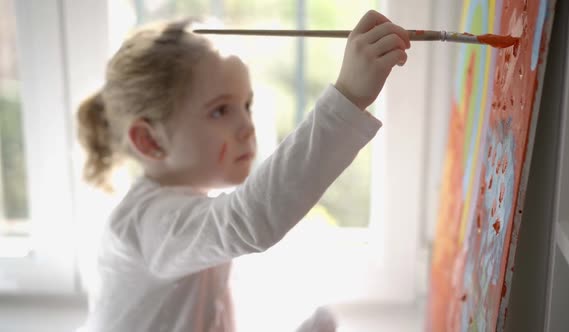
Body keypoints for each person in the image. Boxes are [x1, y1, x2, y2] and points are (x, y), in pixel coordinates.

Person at [76, 9, 410, 332]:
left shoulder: (189, 208)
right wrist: (348, 98)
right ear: (149, 141)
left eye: (246, 105)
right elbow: (249, 220)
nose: (247, 126)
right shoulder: (147, 224)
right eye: (221, 111)